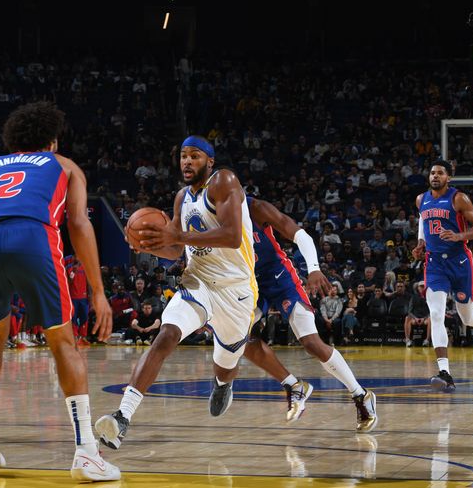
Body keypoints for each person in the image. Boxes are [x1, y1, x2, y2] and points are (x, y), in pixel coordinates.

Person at [0, 101, 118, 482]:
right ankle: (87, 451)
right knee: (62, 341)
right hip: (33, 236)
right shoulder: (65, 165)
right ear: (51, 141)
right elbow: (78, 225)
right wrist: (99, 292)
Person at [95, 136, 258, 450]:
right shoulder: (182, 198)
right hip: (197, 282)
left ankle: (223, 383)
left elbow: (232, 235)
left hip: (236, 290)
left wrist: (180, 234)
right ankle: (122, 418)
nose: (186, 162)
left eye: (194, 156)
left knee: (226, 363)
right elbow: (176, 249)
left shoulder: (224, 181)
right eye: (183, 156)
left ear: (209, 161)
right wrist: (149, 245)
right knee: (166, 335)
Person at [240, 197, 377, 430]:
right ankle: (294, 386)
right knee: (238, 338)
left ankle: (360, 395)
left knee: (311, 342)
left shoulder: (256, 208)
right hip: (247, 283)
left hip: (279, 277)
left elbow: (300, 235)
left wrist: (313, 269)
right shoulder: (212, 217)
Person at [412, 160, 473, 392]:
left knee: (466, 317)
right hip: (435, 264)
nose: (435, 176)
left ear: (449, 177)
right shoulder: (421, 199)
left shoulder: (459, 199)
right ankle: (444, 372)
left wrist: (459, 236)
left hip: (459, 262)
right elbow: (422, 221)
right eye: (432, 172)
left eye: (440, 173)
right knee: (436, 314)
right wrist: (420, 243)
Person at [63, 256, 90, 346]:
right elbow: (69, 282)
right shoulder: (69, 268)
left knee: (85, 316)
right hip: (73, 297)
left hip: (84, 297)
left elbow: (88, 282)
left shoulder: (85, 267)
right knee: (73, 318)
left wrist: (90, 296)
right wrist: (73, 272)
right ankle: (75, 336)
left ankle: (83, 337)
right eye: (76, 256)